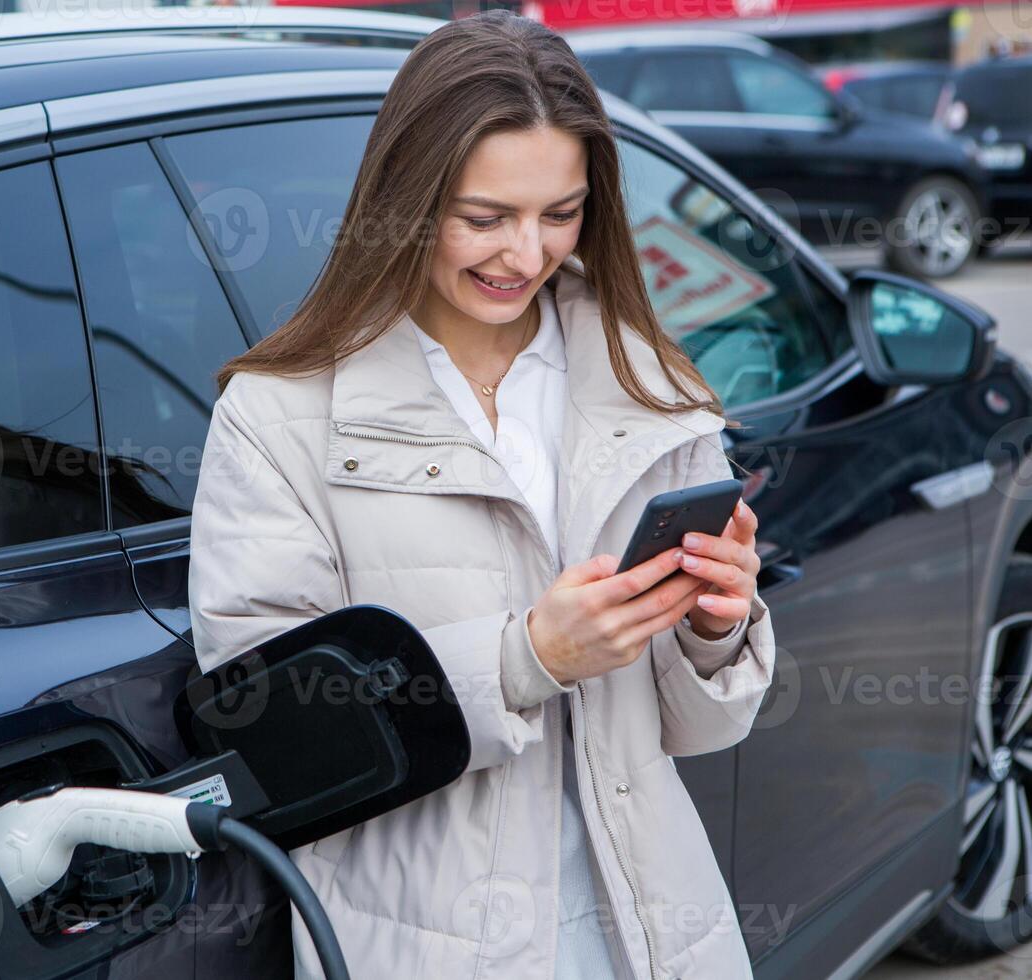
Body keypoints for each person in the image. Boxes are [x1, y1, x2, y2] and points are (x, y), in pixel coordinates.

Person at [186, 10, 777, 979]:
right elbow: (269, 733)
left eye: (561, 212)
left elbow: (700, 728)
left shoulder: (650, 384)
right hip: (427, 939)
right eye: (484, 216)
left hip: (647, 929)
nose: (526, 253)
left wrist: (715, 623)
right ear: (408, 196)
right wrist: (524, 657)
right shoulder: (281, 411)